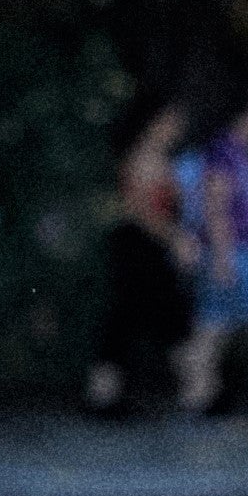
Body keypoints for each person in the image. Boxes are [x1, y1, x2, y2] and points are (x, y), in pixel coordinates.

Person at [177, 84, 248, 419]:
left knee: (214, 325)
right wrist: (223, 257)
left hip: (238, 252)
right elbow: (216, 204)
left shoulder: (242, 152)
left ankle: (198, 396)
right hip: (233, 252)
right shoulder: (224, 150)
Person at [87, 100, 192, 414]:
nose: (176, 128)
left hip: (149, 247)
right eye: (170, 121)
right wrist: (174, 238)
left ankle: (106, 395)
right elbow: (140, 210)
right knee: (137, 319)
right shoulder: (143, 156)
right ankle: (104, 396)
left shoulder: (161, 157)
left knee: (147, 320)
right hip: (138, 247)